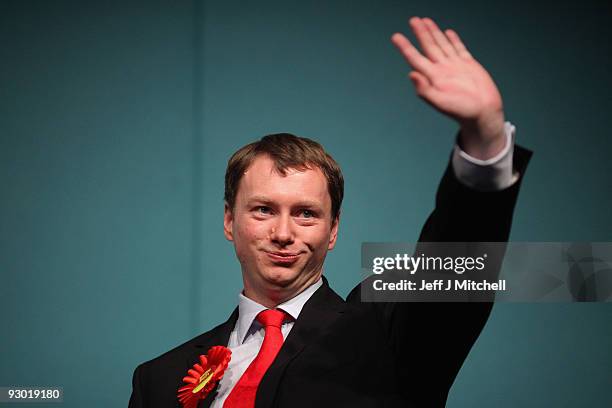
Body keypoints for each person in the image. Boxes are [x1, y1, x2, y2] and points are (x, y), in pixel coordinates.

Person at [129, 16, 531, 407]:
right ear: (229, 221)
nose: (283, 233)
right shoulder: (161, 378)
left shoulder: (384, 330)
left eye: (306, 213)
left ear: (333, 229)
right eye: (264, 210)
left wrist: (485, 140)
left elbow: (452, 265)